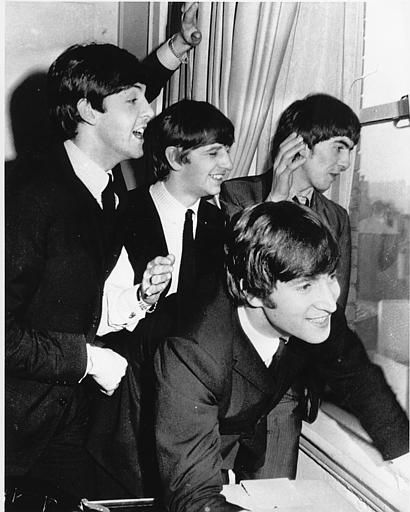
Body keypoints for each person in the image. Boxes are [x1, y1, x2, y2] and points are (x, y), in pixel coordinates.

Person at [5, 5, 201, 508]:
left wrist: (135, 297)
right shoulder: (26, 193)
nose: (150, 113)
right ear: (90, 111)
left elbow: (67, 301)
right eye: (133, 101)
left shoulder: (107, 189)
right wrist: (86, 359)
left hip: (63, 425)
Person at [154, 201, 409, 512]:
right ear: (254, 292)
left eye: (330, 275)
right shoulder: (193, 351)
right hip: (148, 460)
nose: (330, 301)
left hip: (229, 430)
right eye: (305, 286)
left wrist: (405, 460)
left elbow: (360, 379)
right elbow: (193, 498)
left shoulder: (315, 312)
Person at [87, 99, 234, 498]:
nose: (227, 163)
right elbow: (93, 311)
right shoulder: (122, 212)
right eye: (214, 152)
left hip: (186, 412)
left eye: (227, 150)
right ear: (175, 157)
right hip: (121, 409)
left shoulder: (220, 225)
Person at [219, 93, 361, 478]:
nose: (345, 163)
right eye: (339, 148)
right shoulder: (234, 196)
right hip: (228, 389)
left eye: (351, 151)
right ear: (298, 144)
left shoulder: (337, 218)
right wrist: (276, 200)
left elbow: (334, 308)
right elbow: (230, 288)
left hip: (288, 392)